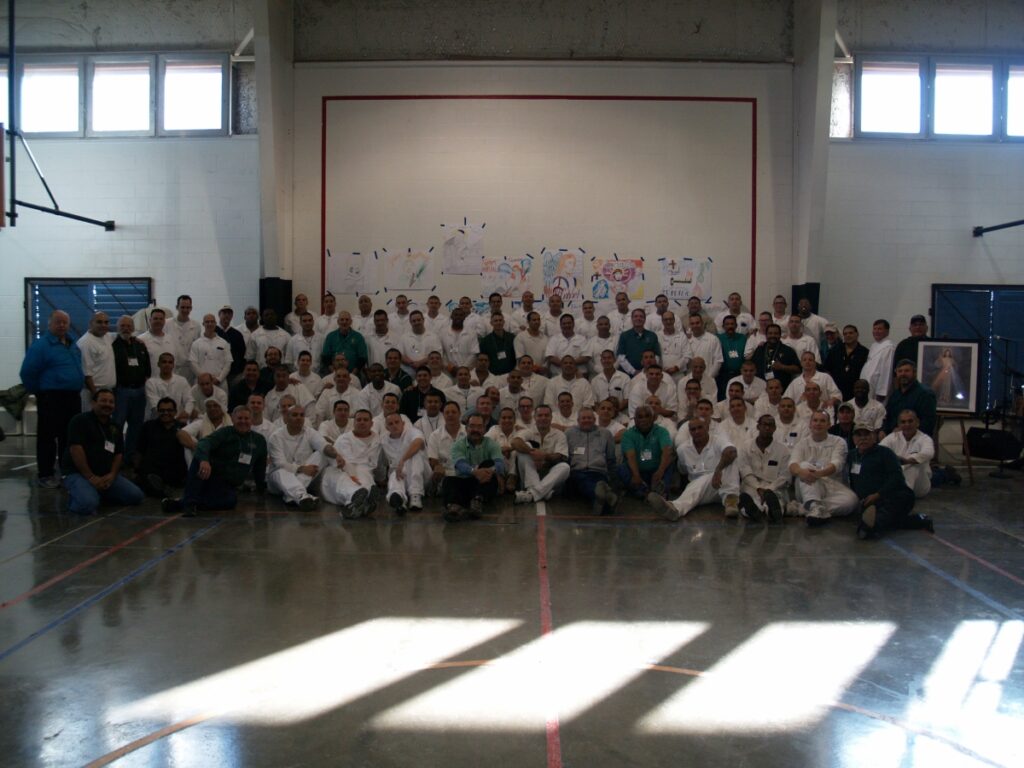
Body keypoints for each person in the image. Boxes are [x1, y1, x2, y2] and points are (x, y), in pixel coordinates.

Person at [162, 405, 267, 516]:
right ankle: (189, 504)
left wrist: (261, 489)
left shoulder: (259, 441)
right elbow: (204, 443)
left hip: (228, 485)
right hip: (209, 476)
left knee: (230, 502)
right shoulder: (225, 432)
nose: (243, 421)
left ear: (251, 420)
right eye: (240, 418)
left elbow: (260, 467)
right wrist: (204, 460)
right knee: (198, 460)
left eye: (246, 418)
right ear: (232, 419)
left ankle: (181, 503)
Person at [20, 310, 85, 487]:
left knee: (68, 436)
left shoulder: (72, 344)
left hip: (72, 397)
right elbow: (27, 372)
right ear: (49, 324)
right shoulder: (41, 346)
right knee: (47, 437)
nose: (62, 325)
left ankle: (66, 471)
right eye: (58, 322)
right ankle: (46, 474)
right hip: (51, 398)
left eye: (65, 322)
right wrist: (40, 392)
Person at [62, 388, 144, 514]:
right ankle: (79, 495)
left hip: (105, 475)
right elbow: (75, 450)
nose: (107, 404)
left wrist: (112, 475)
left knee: (136, 496)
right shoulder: (79, 421)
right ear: (93, 403)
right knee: (87, 505)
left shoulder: (115, 426)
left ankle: (95, 492)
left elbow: (118, 454)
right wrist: (90, 477)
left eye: (111, 402)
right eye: (103, 401)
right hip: (79, 474)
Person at [647, 417, 740, 521]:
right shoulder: (683, 449)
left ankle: (731, 502)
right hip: (701, 491)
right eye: (693, 429)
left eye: (700, 427)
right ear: (689, 432)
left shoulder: (718, 440)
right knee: (696, 484)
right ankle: (674, 509)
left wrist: (718, 470)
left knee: (732, 458)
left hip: (723, 484)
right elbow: (682, 471)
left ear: (707, 428)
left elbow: (731, 452)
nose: (697, 431)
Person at [849, 422, 931, 539]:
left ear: (874, 437)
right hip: (869, 501)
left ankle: (869, 528)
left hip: (894, 495)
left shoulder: (886, 453)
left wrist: (878, 494)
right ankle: (918, 520)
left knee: (885, 514)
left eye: (866, 435)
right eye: (859, 435)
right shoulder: (851, 456)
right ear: (853, 438)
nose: (863, 438)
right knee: (889, 518)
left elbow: (897, 478)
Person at [787, 411, 858, 526]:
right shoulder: (801, 444)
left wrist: (818, 473)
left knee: (852, 501)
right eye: (815, 420)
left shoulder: (839, 442)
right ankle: (813, 505)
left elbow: (836, 464)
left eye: (822, 421)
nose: (818, 423)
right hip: (807, 486)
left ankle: (804, 508)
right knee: (804, 466)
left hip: (832, 484)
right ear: (810, 424)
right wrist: (800, 471)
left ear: (829, 424)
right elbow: (792, 465)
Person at [268, 403, 339, 509]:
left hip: (305, 476)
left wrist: (336, 455)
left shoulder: (309, 432)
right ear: (287, 417)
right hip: (279, 482)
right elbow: (280, 464)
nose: (299, 418)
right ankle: (300, 495)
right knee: (280, 472)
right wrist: (301, 468)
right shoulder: (275, 437)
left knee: (322, 453)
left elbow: (323, 445)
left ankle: (297, 497)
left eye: (302, 415)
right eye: (295, 415)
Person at [321, 409, 383, 518]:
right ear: (353, 423)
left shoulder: (377, 439)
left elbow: (379, 463)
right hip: (341, 470)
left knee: (365, 476)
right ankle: (356, 498)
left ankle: (362, 503)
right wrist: (354, 478)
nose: (362, 422)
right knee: (346, 482)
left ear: (371, 423)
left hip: (364, 471)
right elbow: (347, 464)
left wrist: (381, 479)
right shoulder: (344, 439)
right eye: (359, 420)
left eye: (365, 420)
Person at [444, 413, 506, 521]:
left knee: (489, 464)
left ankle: (477, 502)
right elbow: (460, 464)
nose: (475, 430)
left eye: (479, 426)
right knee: (448, 480)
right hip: (465, 482)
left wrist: (490, 471)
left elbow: (500, 464)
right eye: (472, 426)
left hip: (483, 484)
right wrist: (475, 472)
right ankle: (454, 507)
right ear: (466, 428)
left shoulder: (492, 444)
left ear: (484, 429)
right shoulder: (458, 445)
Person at [511, 404, 570, 503]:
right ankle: (543, 492)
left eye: (546, 415)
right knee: (525, 446)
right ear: (534, 417)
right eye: (540, 415)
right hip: (530, 473)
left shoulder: (560, 435)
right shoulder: (528, 431)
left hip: (549, 475)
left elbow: (560, 456)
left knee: (565, 467)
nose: (543, 418)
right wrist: (532, 453)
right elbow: (515, 442)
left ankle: (532, 493)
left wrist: (544, 456)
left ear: (551, 418)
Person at [564, 406, 618, 515]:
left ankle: (601, 500)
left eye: (589, 418)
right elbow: (566, 456)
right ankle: (606, 496)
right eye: (583, 418)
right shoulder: (569, 433)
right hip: (577, 472)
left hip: (598, 471)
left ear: (594, 419)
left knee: (594, 484)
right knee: (584, 481)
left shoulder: (605, 434)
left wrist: (613, 480)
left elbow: (611, 458)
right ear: (578, 420)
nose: (586, 420)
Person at [111, 314, 151, 457]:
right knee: (117, 425)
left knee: (136, 426)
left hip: (139, 392)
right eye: (122, 326)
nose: (126, 328)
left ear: (133, 328)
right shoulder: (112, 346)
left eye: (129, 326)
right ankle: (115, 456)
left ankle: (129, 456)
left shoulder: (140, 345)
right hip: (121, 391)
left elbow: (147, 367)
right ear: (117, 327)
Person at [738, 414, 790, 521]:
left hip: (775, 487)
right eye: (764, 424)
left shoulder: (783, 450)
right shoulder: (745, 447)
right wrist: (758, 488)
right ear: (758, 426)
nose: (767, 428)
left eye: (770, 425)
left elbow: (784, 477)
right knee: (751, 501)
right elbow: (745, 472)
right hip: (752, 486)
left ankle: (772, 511)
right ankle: (753, 511)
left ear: (774, 428)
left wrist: (768, 490)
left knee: (777, 502)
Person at [134, 397, 188, 496]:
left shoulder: (184, 428)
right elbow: (140, 449)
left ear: (175, 412)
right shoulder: (148, 426)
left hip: (174, 470)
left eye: (169, 410)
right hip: (152, 469)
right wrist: (136, 470)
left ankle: (161, 488)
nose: (165, 413)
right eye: (162, 411)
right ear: (158, 412)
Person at [617, 405, 674, 499]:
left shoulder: (662, 431)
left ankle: (658, 492)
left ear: (653, 418)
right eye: (640, 417)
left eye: (647, 416)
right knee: (621, 468)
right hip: (637, 471)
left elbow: (667, 451)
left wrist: (660, 471)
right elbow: (630, 456)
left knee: (670, 461)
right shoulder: (628, 434)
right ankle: (646, 493)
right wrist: (636, 475)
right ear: (635, 420)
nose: (644, 419)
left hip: (657, 471)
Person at [880, 409, 935, 498]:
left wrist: (907, 461)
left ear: (917, 423)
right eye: (903, 422)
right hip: (896, 479)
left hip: (920, 485)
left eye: (910, 421)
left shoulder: (925, 439)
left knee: (913, 466)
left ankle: (903, 497)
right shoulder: (892, 437)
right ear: (899, 425)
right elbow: (880, 452)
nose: (907, 425)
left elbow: (929, 453)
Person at [884, 360, 937, 437]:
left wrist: (903, 431)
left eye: (907, 371)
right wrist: (883, 430)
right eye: (900, 371)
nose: (903, 374)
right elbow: (887, 416)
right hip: (893, 437)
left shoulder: (925, 394)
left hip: (916, 439)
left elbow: (928, 423)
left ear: (914, 373)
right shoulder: (895, 395)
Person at [77, 311, 116, 411]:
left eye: (106, 322)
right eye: (99, 322)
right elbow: (86, 374)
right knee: (91, 419)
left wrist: (136, 339)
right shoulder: (86, 343)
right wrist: (96, 396)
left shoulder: (107, 336)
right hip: (93, 392)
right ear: (91, 323)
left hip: (107, 392)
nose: (103, 325)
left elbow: (122, 334)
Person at [427, 401, 467, 496]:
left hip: (466, 473)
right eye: (447, 412)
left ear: (459, 414)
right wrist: (437, 467)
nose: (450, 415)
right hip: (446, 476)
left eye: (453, 412)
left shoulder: (468, 431)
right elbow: (433, 460)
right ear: (443, 415)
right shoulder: (435, 435)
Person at [824, 324, 869, 402]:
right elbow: (827, 369)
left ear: (857, 334)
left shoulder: (864, 352)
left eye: (851, 333)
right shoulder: (835, 350)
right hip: (836, 392)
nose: (848, 335)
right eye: (845, 334)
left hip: (855, 394)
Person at [750, 323, 800, 390]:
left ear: (780, 335)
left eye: (776, 333)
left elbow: (798, 369)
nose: (773, 335)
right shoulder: (760, 349)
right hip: (760, 388)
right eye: (770, 333)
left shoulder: (788, 350)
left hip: (781, 389)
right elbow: (752, 365)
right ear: (766, 335)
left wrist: (783, 367)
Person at [145, 352, 192, 420]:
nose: (167, 365)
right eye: (164, 362)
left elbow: (189, 400)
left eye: (170, 362)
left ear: (173, 365)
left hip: (179, 420)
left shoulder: (182, 380)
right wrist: (176, 417)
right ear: (158, 364)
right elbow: (155, 407)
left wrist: (187, 412)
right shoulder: (151, 383)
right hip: (158, 420)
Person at [320, 311, 368, 377]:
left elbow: (362, 358)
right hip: (334, 375)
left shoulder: (358, 337)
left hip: (354, 374)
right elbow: (325, 357)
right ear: (338, 322)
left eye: (347, 320)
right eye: (342, 320)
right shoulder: (330, 336)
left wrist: (352, 375)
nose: (344, 322)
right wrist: (335, 373)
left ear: (351, 322)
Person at [189, 314, 232, 388]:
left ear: (215, 323)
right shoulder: (196, 343)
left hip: (220, 383)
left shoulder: (224, 343)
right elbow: (193, 363)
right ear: (203, 324)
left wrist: (219, 379)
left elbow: (228, 363)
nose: (210, 324)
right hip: (202, 383)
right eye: (207, 322)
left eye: (212, 321)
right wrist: (205, 379)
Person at [485, 406, 520, 493]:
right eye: (504, 418)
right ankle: (500, 478)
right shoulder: (494, 429)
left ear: (515, 420)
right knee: (495, 451)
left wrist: (510, 449)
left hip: (515, 466)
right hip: (498, 466)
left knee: (516, 451)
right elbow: (484, 445)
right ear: (499, 420)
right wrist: (500, 450)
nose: (507, 420)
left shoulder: (519, 431)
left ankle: (512, 476)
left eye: (510, 418)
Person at [860, 319, 896, 401]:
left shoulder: (889, 347)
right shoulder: (874, 345)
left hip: (878, 391)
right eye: (875, 329)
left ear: (887, 331)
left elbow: (886, 372)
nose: (876, 331)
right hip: (868, 386)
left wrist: (881, 392)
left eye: (879, 329)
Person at [616, 308, 661, 375]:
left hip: (648, 374)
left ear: (645, 319)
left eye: (641, 316)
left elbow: (657, 356)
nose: (638, 318)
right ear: (632, 319)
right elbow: (621, 357)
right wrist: (633, 371)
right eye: (635, 316)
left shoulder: (652, 336)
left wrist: (649, 369)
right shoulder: (624, 336)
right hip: (628, 374)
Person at [168, 295, 200, 382]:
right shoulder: (167, 324)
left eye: (188, 307)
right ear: (177, 307)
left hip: (189, 369)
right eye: (182, 307)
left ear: (191, 308)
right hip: (172, 368)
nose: (185, 310)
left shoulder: (196, 326)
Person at [590, 349, 631, 414]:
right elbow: (594, 402)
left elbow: (627, 399)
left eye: (609, 358)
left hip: (620, 414)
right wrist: (602, 413)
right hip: (601, 415)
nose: (607, 361)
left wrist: (614, 412)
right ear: (601, 361)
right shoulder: (595, 380)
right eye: (604, 358)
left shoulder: (625, 378)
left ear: (614, 360)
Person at [716, 315, 747, 395]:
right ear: (723, 326)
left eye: (732, 324)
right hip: (723, 375)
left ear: (736, 326)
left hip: (740, 374)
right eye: (727, 324)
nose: (730, 326)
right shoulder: (717, 338)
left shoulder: (743, 338)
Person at [216, 305, 248, 384]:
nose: (227, 315)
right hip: (216, 372)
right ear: (219, 315)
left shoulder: (237, 334)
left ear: (232, 316)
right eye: (224, 313)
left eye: (229, 313)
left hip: (233, 374)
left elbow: (242, 354)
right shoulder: (213, 332)